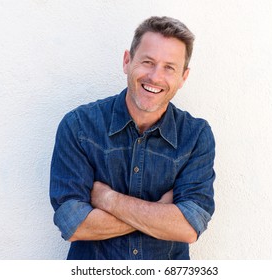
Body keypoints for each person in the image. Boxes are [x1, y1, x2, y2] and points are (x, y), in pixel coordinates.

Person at [50, 16, 215, 260]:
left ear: (183, 77)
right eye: (148, 62)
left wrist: (108, 199)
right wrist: (162, 213)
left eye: (169, 67)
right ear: (127, 61)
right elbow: (73, 224)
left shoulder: (196, 136)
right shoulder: (79, 126)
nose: (155, 77)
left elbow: (189, 228)